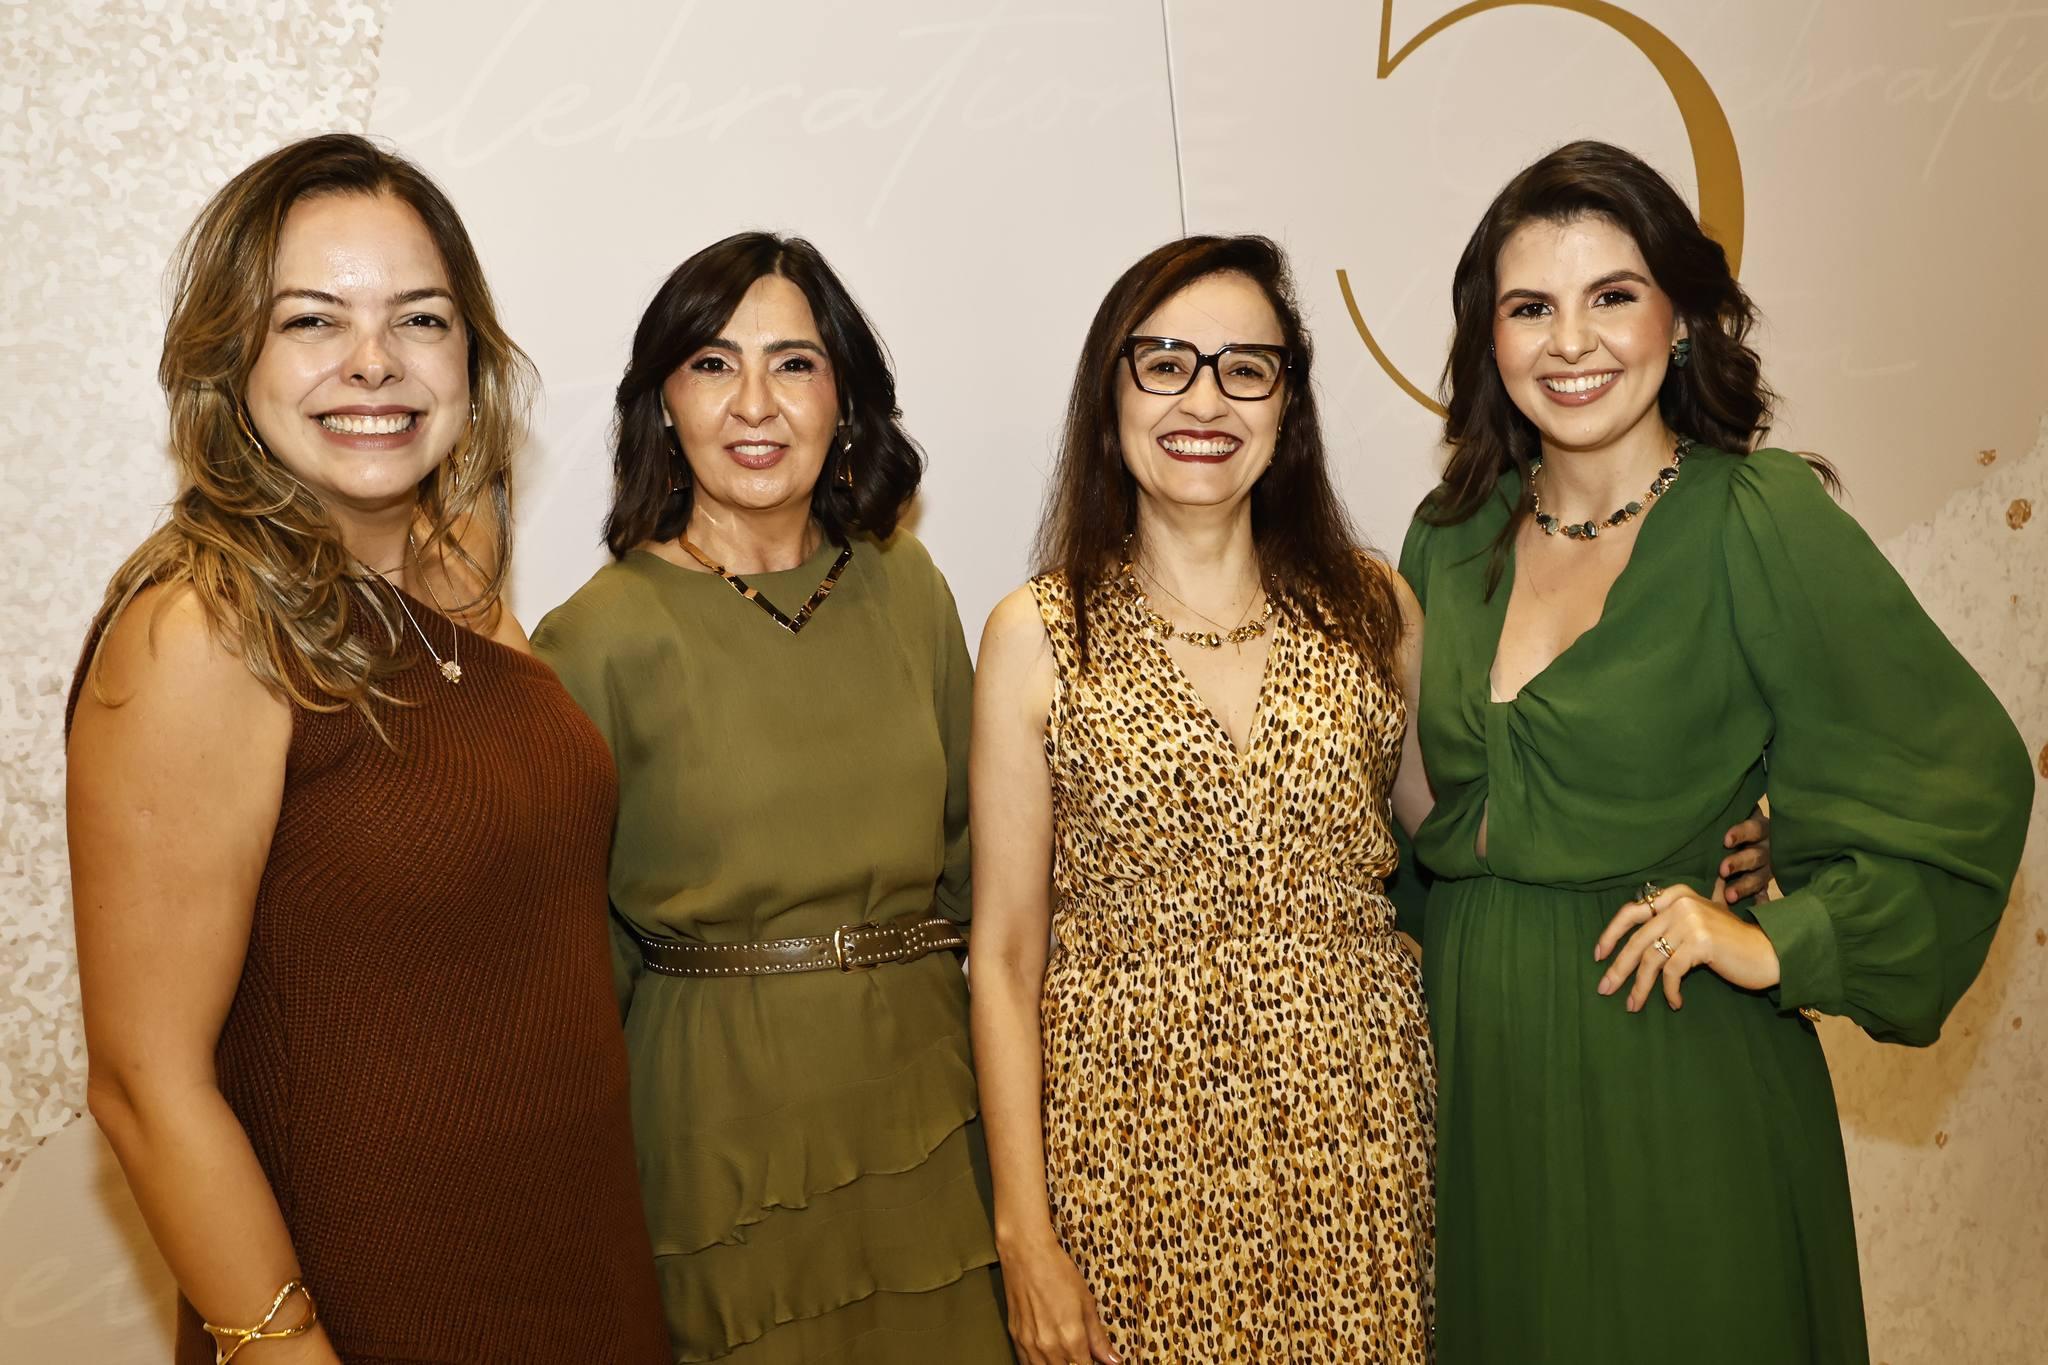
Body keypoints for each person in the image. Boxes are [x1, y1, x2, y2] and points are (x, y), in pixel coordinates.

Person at [1397, 139, 2034, 1365]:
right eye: (1529, 307)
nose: (1569, 342)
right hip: (1486, 1083)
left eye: (1611, 295)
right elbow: (1417, 816)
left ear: (1680, 318)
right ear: (1488, 339)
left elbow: (1960, 783)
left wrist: (1778, 933)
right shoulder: (1449, 536)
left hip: (1678, 1068)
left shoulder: (1756, 516)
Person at [65, 134, 669, 1363]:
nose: (374, 362)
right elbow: (143, 1083)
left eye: (420, 319)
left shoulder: (458, 562)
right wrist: (284, 1350)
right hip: (375, 1307)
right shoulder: (200, 632)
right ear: (231, 358)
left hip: (577, 1277)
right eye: (312, 320)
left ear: (470, 356)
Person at [531, 231, 1014, 1363]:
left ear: (844, 399)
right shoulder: (593, 640)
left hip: (929, 1100)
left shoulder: (906, 583)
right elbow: (576, 963)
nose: (755, 404)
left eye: (794, 363)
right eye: (712, 364)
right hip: (716, 1125)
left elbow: (977, 864)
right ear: (662, 405)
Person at [969, 234, 1436, 1365]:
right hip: (1127, 1155)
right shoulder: (1037, 634)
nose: (1205, 400)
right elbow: (1006, 957)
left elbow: (1462, 838)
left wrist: (1695, 826)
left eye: (1246, 368)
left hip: (1358, 1140)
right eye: (1166, 363)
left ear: (1288, 404)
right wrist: (1024, 1234)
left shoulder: (1373, 606)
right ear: (1112, 393)